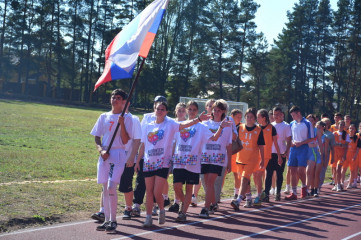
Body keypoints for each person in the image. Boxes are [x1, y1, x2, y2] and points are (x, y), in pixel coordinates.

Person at [135, 101, 209, 227]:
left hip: (162, 163)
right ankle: (148, 218)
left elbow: (185, 124)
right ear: (154, 110)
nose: (160, 111)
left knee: (157, 192)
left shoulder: (170, 125)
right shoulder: (147, 126)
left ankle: (162, 209)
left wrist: (197, 120)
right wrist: (138, 161)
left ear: (166, 112)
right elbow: (143, 145)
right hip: (148, 162)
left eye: (163, 109)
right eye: (158, 108)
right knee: (149, 191)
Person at [172, 100, 230, 222]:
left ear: (197, 111)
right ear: (187, 110)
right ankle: (185, 202)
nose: (192, 112)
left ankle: (186, 211)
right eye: (190, 109)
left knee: (194, 187)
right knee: (176, 186)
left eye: (194, 110)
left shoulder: (202, 126)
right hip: (180, 160)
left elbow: (214, 138)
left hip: (194, 162)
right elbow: (172, 142)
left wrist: (221, 127)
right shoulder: (179, 124)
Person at [91, 89, 132, 233]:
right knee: (105, 188)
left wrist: (121, 124)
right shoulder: (103, 116)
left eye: (118, 97)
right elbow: (96, 137)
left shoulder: (127, 118)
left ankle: (113, 220)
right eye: (113, 96)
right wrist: (101, 150)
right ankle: (107, 220)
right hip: (105, 154)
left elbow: (126, 140)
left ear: (123, 102)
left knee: (111, 186)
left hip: (118, 153)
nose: (115, 99)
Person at [132, 95, 168, 217]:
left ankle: (153, 206)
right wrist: (137, 156)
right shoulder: (147, 117)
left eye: (162, 104)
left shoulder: (167, 120)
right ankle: (136, 204)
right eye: (157, 104)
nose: (159, 107)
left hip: (159, 157)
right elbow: (141, 137)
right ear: (154, 105)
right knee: (140, 180)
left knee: (155, 184)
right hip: (145, 155)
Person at [199, 99, 232, 218]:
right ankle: (213, 204)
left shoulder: (227, 126)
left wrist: (229, 163)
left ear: (223, 111)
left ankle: (206, 208)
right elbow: (210, 138)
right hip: (205, 156)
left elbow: (228, 145)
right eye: (214, 110)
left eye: (219, 110)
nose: (216, 112)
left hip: (218, 158)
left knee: (210, 182)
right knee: (208, 184)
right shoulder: (206, 124)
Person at [231, 108, 265, 210]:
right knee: (244, 179)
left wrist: (262, 159)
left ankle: (238, 200)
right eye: (247, 117)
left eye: (251, 117)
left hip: (252, 159)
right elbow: (233, 140)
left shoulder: (258, 130)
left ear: (255, 118)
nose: (249, 119)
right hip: (240, 158)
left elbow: (261, 147)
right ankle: (249, 198)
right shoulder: (239, 127)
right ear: (245, 117)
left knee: (245, 178)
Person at [285, 106, 314, 201]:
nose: (292, 117)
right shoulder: (291, 124)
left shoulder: (307, 123)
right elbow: (289, 137)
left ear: (298, 113)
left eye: (293, 115)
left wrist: (301, 143)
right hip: (293, 149)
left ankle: (304, 188)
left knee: (301, 170)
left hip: (303, 148)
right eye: (291, 115)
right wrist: (291, 143)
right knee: (292, 170)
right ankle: (293, 193)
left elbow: (312, 138)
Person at [253, 109, 281, 206]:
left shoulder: (271, 128)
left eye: (258, 117)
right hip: (256, 155)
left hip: (266, 156)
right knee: (255, 175)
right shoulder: (256, 128)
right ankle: (261, 193)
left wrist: (279, 156)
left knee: (260, 174)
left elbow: (276, 143)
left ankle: (261, 195)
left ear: (264, 118)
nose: (257, 119)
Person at [191, 99, 216, 206]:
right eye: (209, 106)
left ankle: (212, 201)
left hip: (214, 155)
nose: (211, 108)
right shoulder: (202, 120)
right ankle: (194, 196)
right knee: (200, 176)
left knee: (209, 181)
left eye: (213, 106)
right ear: (206, 107)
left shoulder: (219, 121)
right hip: (201, 153)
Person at [263, 107, 291, 202]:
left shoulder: (286, 126)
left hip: (281, 153)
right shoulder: (270, 125)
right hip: (270, 153)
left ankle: (278, 193)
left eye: (278, 114)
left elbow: (289, 139)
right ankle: (266, 194)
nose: (276, 116)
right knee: (269, 174)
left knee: (279, 174)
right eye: (274, 114)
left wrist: (287, 151)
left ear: (282, 114)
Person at [168, 103, 187, 213]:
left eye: (183, 111)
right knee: (176, 181)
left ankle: (180, 202)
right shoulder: (172, 123)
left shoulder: (188, 124)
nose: (181, 113)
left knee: (181, 182)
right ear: (175, 111)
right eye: (179, 110)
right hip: (172, 153)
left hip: (184, 155)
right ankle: (176, 201)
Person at [333, 120, 350, 192]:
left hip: (341, 154)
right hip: (335, 154)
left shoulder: (346, 134)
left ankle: (339, 184)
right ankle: (336, 184)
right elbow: (333, 144)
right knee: (334, 170)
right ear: (338, 125)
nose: (341, 126)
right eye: (340, 124)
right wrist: (340, 145)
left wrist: (345, 155)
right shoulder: (334, 133)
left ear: (344, 126)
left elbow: (346, 145)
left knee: (338, 168)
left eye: (343, 125)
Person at [319, 118, 335, 190]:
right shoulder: (316, 132)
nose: (326, 125)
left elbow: (332, 147)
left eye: (327, 123)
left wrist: (333, 157)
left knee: (322, 170)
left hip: (325, 154)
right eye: (324, 123)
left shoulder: (330, 135)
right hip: (316, 154)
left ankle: (318, 186)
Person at [230, 109, 243, 199]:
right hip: (227, 152)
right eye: (237, 117)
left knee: (237, 174)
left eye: (240, 117)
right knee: (221, 175)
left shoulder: (242, 127)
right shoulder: (227, 125)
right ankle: (217, 193)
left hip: (237, 153)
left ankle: (237, 192)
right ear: (232, 116)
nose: (239, 119)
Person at [344, 124, 361, 189]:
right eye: (360, 126)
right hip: (356, 152)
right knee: (355, 168)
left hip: (357, 152)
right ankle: (354, 181)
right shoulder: (356, 135)